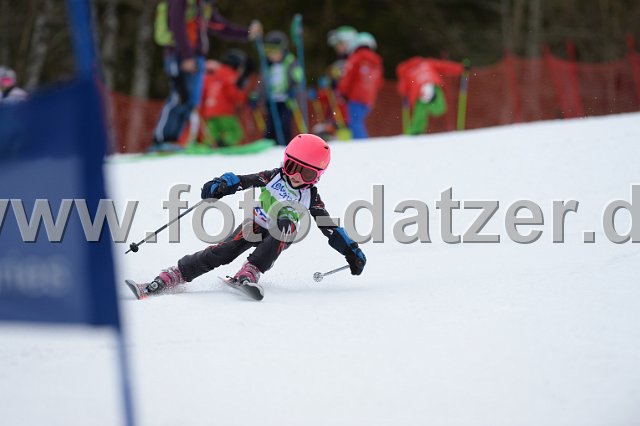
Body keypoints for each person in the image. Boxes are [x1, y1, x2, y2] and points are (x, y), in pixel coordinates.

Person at [127, 133, 367, 299]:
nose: (295, 176)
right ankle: (175, 274)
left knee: (285, 223)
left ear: (317, 176)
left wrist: (351, 250)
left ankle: (251, 269)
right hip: (256, 224)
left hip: (281, 232)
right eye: (292, 167)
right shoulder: (273, 177)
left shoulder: (310, 197)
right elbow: (243, 181)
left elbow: (327, 226)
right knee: (224, 251)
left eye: (306, 174)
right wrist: (222, 185)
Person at [150, 0, 261, 151]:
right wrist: (187, 56)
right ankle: (161, 139)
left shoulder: (202, 5)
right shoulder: (182, 2)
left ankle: (173, 140)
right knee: (179, 96)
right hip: (180, 56)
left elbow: (220, 27)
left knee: (190, 100)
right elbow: (177, 26)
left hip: (196, 58)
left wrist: (247, 33)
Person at [396, 57, 464, 135]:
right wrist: (461, 68)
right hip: (432, 84)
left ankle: (414, 132)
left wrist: (405, 96)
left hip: (418, 93)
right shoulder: (426, 63)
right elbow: (444, 66)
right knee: (439, 109)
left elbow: (402, 88)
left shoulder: (406, 72)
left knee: (419, 115)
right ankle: (431, 96)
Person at [198, 49, 252, 148]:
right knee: (235, 132)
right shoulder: (231, 75)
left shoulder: (213, 74)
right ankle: (224, 144)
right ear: (236, 65)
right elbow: (232, 94)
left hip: (209, 111)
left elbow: (204, 91)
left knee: (213, 133)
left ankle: (208, 147)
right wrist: (244, 97)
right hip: (225, 111)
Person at [260, 30, 304, 146]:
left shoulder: (290, 61)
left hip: (286, 100)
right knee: (270, 125)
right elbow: (262, 83)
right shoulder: (267, 65)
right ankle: (270, 145)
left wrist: (294, 90)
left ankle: (284, 145)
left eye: (275, 52)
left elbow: (298, 78)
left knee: (284, 125)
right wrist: (259, 97)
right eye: (269, 52)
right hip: (272, 101)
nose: (272, 55)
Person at [337, 32, 383, 139]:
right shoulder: (376, 61)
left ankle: (361, 144)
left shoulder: (355, 58)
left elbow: (348, 77)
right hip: (369, 98)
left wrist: (343, 92)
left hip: (355, 96)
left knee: (355, 122)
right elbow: (379, 82)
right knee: (358, 121)